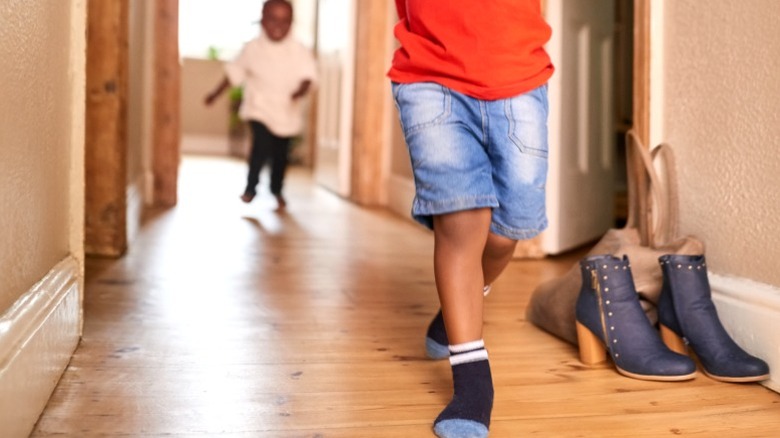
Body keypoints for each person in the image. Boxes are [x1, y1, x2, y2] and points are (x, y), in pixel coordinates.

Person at [388, 1, 554, 437]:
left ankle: (458, 306)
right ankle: (472, 383)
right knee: (462, 220)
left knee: (506, 233)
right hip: (429, 78)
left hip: (518, 78)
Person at [205, 0, 317, 210]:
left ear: (291, 23)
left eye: (284, 21)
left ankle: (277, 189)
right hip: (259, 108)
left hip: (286, 111)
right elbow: (234, 73)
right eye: (272, 19)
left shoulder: (299, 50)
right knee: (260, 147)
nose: (278, 26)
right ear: (262, 20)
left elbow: (308, 76)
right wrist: (214, 94)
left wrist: (300, 91)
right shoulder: (253, 48)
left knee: (281, 156)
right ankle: (250, 188)